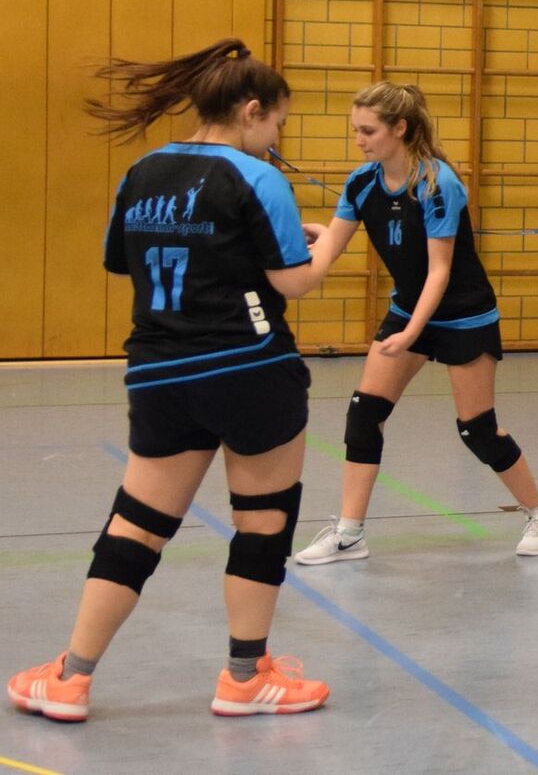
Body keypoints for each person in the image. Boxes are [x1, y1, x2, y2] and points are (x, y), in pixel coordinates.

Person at [8, 39, 337, 722]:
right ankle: (244, 677)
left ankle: (69, 676)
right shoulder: (257, 177)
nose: (277, 137)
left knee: (137, 524)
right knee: (263, 522)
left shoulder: (143, 169)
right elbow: (295, 281)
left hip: (160, 371)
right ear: (250, 111)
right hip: (251, 369)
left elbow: (123, 262)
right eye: (277, 122)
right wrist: (333, 236)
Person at [292, 82, 538, 563]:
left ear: (400, 128)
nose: (359, 140)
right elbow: (328, 250)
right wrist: (297, 258)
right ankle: (350, 532)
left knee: (477, 429)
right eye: (355, 130)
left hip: (462, 315)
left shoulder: (439, 185)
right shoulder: (360, 183)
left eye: (368, 130)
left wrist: (412, 333)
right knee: (364, 413)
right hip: (408, 309)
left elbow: (439, 271)